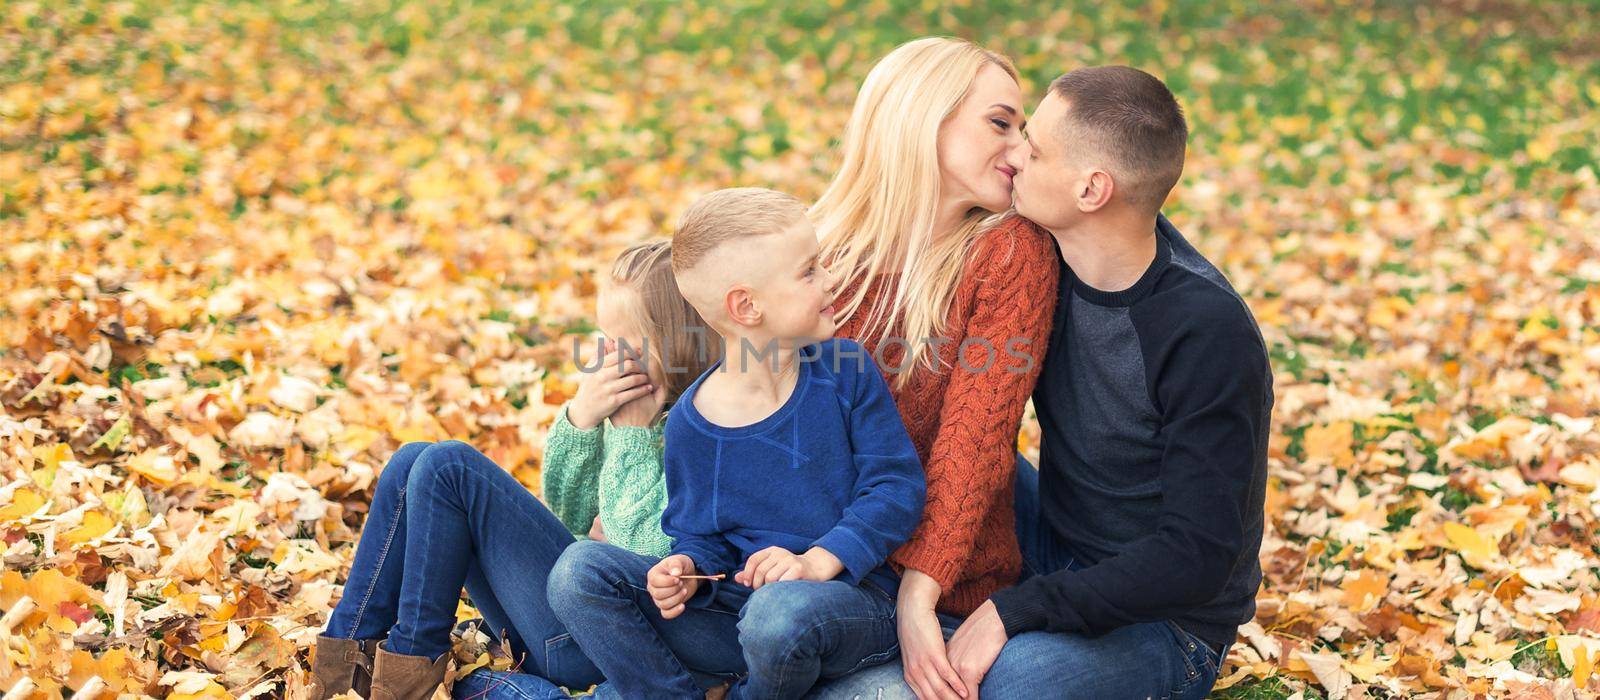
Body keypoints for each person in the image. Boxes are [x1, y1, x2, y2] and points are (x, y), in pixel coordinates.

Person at [819, 66, 1273, 700]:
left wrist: (1014, 611)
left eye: (1031, 149)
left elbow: (1197, 557)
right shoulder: (1042, 257)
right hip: (1053, 534)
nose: (1013, 159)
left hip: (1166, 616)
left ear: (1091, 189)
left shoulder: (1202, 330)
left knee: (1014, 683)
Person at [546, 187, 926, 699]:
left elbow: (895, 488)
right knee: (578, 571)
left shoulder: (846, 372)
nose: (830, 280)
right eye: (809, 271)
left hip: (848, 600)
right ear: (746, 305)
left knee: (778, 613)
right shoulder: (689, 424)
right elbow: (702, 537)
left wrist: (816, 561)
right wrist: (688, 570)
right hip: (734, 615)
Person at [310, 241, 721, 700]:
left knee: (449, 468)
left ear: (675, 347)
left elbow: (636, 562)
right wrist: (581, 421)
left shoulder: (700, 431)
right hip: (560, 613)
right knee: (414, 460)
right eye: (602, 336)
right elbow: (569, 518)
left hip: (605, 641)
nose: (605, 353)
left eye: (620, 341)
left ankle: (411, 675)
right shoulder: (640, 409)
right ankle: (342, 670)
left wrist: (631, 441)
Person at [810, 37, 1059, 700]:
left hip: (930, 582)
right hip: (797, 562)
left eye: (1024, 131)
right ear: (923, 115)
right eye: (1000, 123)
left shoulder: (1008, 251)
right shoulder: (814, 247)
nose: (1019, 150)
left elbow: (974, 439)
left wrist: (919, 598)